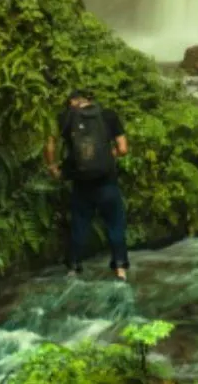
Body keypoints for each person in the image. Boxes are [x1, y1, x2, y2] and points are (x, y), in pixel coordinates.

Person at [44, 90, 130, 281]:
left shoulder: (64, 118)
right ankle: (120, 269)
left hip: (81, 182)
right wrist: (109, 156)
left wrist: (53, 168)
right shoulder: (108, 115)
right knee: (115, 224)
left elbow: (49, 145)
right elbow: (123, 148)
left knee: (79, 225)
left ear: (72, 102)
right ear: (90, 100)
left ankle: (74, 268)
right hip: (106, 180)